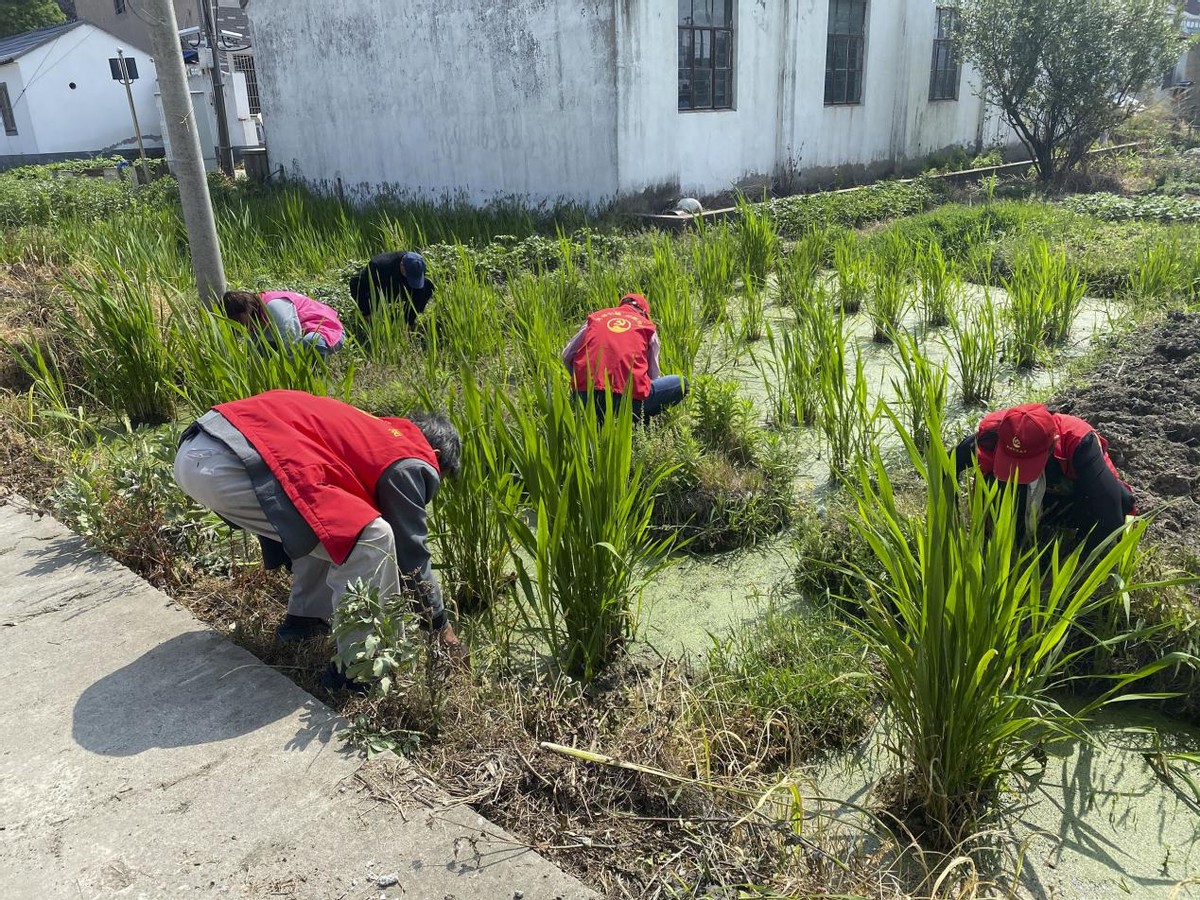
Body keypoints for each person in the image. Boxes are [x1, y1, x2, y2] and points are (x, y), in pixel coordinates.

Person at [173, 389, 463, 691]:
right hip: (229, 463)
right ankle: (361, 672)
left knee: (333, 521)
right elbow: (411, 554)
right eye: (437, 477)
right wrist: (440, 626)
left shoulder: (374, 431)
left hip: (200, 446)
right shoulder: (409, 457)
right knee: (371, 538)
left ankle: (305, 623)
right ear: (437, 457)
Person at [952, 402, 1135, 556]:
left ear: (1053, 443)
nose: (1019, 474)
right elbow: (946, 466)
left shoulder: (1078, 442)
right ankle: (1008, 537)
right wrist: (950, 523)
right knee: (993, 484)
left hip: (1070, 498)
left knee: (1117, 506)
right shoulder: (994, 434)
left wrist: (1072, 568)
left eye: (1026, 464)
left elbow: (1112, 515)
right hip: (1023, 498)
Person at [561, 293, 688, 422]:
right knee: (681, 383)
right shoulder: (647, 326)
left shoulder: (596, 318)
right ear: (644, 312)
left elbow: (566, 356)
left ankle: (597, 416)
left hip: (585, 398)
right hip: (627, 401)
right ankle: (639, 419)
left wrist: (580, 381)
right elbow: (653, 376)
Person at [223, 290, 345, 358]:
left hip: (326, 330)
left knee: (310, 343)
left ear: (246, 310)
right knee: (259, 347)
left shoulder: (273, 306)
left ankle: (314, 376)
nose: (239, 325)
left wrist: (287, 372)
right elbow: (254, 349)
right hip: (298, 334)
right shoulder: (253, 317)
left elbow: (291, 340)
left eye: (238, 320)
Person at [349, 251, 435, 327]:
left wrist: (409, 321)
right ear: (402, 265)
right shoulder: (379, 265)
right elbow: (357, 285)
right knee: (369, 301)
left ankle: (407, 320)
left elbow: (418, 290)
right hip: (381, 291)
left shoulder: (417, 265)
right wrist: (366, 312)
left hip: (400, 287)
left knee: (427, 287)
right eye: (408, 275)